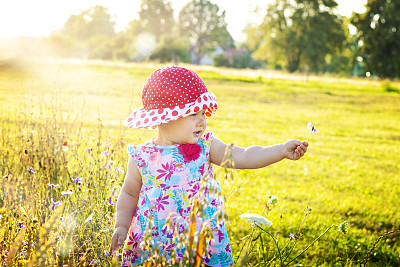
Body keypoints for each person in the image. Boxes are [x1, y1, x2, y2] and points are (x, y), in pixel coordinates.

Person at [109, 66, 308, 266]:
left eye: (203, 113)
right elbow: (129, 194)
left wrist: (280, 150)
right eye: (193, 114)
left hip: (203, 244)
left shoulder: (206, 147)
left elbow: (243, 155)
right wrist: (121, 226)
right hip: (156, 246)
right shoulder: (142, 157)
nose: (202, 120)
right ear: (166, 117)